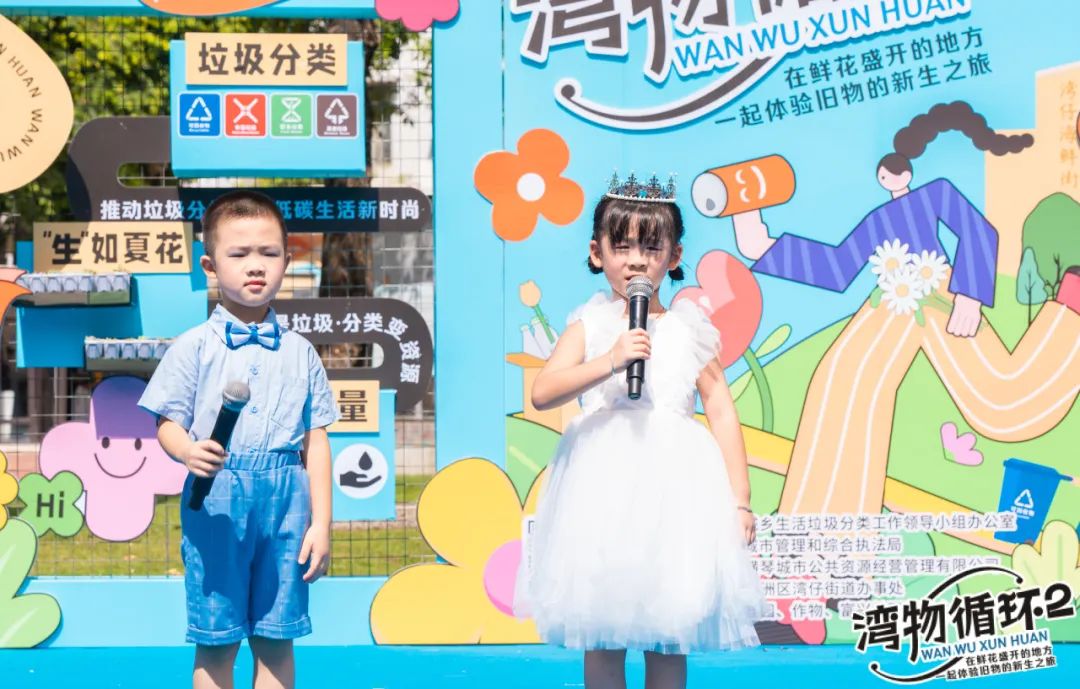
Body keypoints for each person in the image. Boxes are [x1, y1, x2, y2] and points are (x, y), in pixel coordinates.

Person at [516, 174, 768, 689]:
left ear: (674, 256)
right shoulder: (590, 324)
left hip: (673, 497)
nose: (636, 261)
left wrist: (740, 502)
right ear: (597, 252)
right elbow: (544, 391)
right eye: (622, 246)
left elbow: (721, 410)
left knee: (668, 631)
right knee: (602, 632)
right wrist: (610, 360)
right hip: (601, 495)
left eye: (651, 248)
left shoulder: (688, 328)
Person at [139, 190, 338, 689]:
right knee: (217, 640)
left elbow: (316, 441)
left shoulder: (302, 352)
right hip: (217, 501)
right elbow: (166, 423)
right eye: (239, 253)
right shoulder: (192, 348)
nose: (255, 265)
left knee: (277, 639)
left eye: (269, 253)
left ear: (287, 260)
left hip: (287, 500)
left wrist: (321, 523)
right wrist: (188, 450)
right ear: (210, 265)